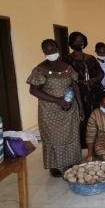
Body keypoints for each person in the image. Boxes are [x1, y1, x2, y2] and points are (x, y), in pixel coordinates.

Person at [27, 39, 84, 178]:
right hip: (49, 110)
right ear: (43, 51)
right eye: (47, 50)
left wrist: (81, 108)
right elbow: (33, 90)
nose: (50, 52)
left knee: (71, 135)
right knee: (52, 137)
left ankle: (71, 162)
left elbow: (75, 87)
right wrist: (56, 100)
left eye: (53, 49)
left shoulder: (67, 68)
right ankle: (54, 166)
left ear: (58, 49)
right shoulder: (40, 70)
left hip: (69, 108)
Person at [63, 31, 104, 149]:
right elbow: (64, 75)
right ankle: (78, 146)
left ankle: (95, 145)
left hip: (93, 94)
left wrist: (94, 79)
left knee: (94, 118)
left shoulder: (91, 58)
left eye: (81, 40)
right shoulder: (66, 59)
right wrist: (79, 81)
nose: (79, 42)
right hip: (76, 94)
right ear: (71, 43)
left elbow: (100, 73)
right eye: (76, 40)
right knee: (79, 119)